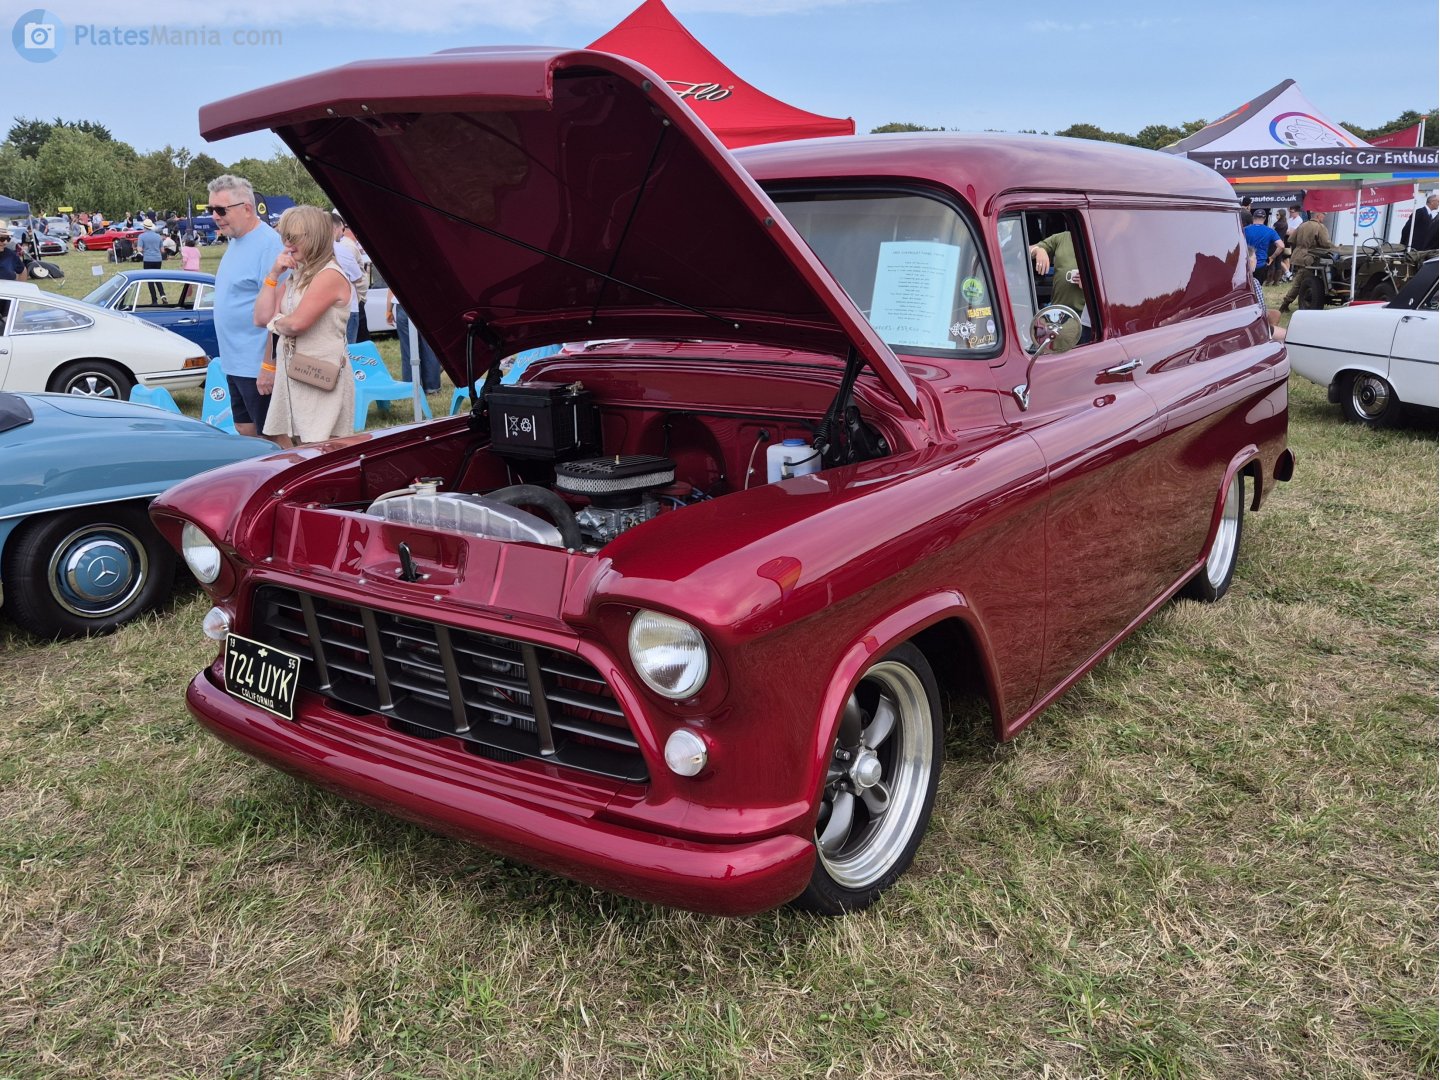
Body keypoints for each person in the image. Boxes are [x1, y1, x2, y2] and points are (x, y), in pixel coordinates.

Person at [254, 205, 355, 447]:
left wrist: (277, 322)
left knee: (324, 448)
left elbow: (297, 323)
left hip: (320, 374)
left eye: (294, 237)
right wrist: (273, 274)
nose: (288, 244)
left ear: (315, 237)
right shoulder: (297, 275)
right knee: (301, 446)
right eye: (285, 237)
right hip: (298, 375)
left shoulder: (329, 275)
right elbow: (261, 317)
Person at [208, 174, 285, 438]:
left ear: (247, 209)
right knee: (245, 429)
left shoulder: (269, 246)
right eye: (211, 209)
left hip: (257, 365)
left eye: (221, 210)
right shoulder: (235, 241)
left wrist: (269, 365)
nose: (215, 216)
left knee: (273, 437)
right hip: (234, 362)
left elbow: (280, 311)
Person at [1029, 231, 1090, 350]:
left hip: (1086, 321)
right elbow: (1027, 249)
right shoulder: (1062, 237)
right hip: (1058, 316)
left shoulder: (1101, 241)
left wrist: (1090, 285)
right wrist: (1038, 250)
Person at [1278, 211, 1336, 313]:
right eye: (1323, 216)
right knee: (1299, 283)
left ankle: (1287, 304)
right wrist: (1336, 248)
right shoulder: (1320, 227)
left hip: (1297, 256)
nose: (1324, 218)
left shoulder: (1302, 225)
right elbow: (1326, 243)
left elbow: (1291, 239)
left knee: (1301, 281)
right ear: (1318, 215)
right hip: (1309, 257)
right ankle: (1285, 304)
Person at [387, 294, 442, 394]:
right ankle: (432, 387)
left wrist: (388, 310)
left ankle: (410, 387)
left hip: (403, 306)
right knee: (430, 348)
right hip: (426, 303)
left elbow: (391, 288)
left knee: (408, 350)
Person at [330, 212, 366, 343]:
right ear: (335, 228)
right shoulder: (341, 249)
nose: (343, 233)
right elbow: (357, 277)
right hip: (349, 308)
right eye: (342, 228)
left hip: (329, 310)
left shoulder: (317, 250)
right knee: (348, 352)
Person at [1242, 208, 1284, 285]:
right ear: (1265, 218)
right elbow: (1281, 246)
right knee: (1258, 287)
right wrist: (1272, 257)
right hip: (1260, 264)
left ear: (1253, 217)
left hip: (1246, 264)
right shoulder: (1270, 231)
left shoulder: (1244, 230)